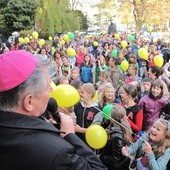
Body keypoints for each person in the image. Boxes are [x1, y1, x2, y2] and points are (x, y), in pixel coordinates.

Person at [0, 50, 107, 170]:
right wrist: (70, 135)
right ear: (29, 102)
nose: (51, 89)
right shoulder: (57, 153)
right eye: (47, 86)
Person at [100, 104, 132, 170]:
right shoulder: (123, 125)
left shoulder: (117, 137)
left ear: (111, 117)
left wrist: (102, 157)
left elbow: (115, 160)